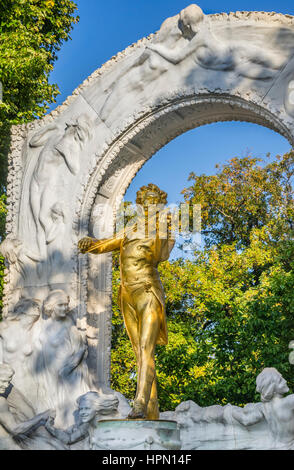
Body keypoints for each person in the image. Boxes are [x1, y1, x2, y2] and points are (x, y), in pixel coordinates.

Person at [78, 183, 175, 419]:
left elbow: (161, 255)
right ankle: (152, 411)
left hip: (147, 290)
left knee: (145, 348)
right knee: (138, 352)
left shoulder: (165, 227)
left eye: (155, 200)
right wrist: (90, 245)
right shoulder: (131, 228)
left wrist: (163, 227)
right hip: (127, 295)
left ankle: (140, 402)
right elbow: (106, 244)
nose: (150, 204)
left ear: (160, 204)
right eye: (146, 200)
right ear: (140, 204)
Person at [34, 289, 91, 426]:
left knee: (71, 408)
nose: (65, 308)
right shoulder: (43, 327)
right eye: (61, 305)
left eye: (66, 304)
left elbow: (80, 349)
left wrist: (72, 363)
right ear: (51, 307)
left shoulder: (68, 324)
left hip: (69, 373)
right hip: (50, 373)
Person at [232, 367, 294, 449]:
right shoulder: (289, 401)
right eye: (280, 380)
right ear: (272, 386)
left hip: (275, 447)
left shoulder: (264, 408)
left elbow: (245, 420)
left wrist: (231, 411)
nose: (285, 381)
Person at [45, 391, 119, 449]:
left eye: (87, 409)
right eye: (81, 409)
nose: (83, 413)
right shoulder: (87, 425)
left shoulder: (108, 425)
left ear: (97, 409)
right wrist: (51, 429)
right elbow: (70, 439)